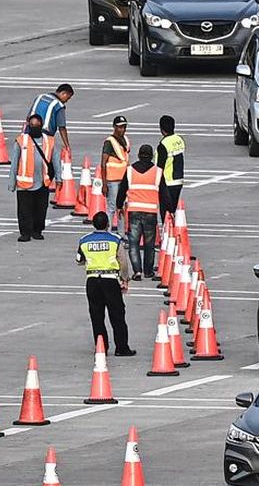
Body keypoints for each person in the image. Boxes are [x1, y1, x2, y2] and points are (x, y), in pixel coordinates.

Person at [77, 212, 135, 356]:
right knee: (117, 315)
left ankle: (101, 347)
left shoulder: (84, 240)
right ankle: (121, 348)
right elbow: (122, 261)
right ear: (108, 224)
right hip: (110, 279)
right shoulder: (114, 240)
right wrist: (125, 279)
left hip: (92, 280)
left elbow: (79, 260)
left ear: (93, 224)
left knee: (96, 315)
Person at [8, 114, 60, 242]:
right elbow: (14, 162)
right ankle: (25, 232)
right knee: (24, 210)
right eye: (31, 125)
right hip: (24, 183)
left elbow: (56, 160)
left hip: (43, 181)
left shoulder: (49, 141)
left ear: (41, 126)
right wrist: (12, 182)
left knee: (40, 209)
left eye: (36, 125)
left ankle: (37, 230)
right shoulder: (21, 141)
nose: (34, 127)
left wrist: (59, 178)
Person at [118, 144, 160, 280]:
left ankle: (137, 271)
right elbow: (165, 194)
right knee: (149, 244)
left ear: (139, 155)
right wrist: (169, 210)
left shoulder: (130, 170)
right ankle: (148, 271)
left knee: (134, 243)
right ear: (152, 156)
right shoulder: (157, 171)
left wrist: (119, 206)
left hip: (134, 212)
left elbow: (122, 189)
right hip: (150, 212)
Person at [101, 115, 130, 233]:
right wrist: (104, 184)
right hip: (112, 180)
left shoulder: (126, 140)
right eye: (119, 127)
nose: (122, 129)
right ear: (114, 127)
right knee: (112, 208)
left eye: (124, 127)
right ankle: (107, 233)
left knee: (121, 207)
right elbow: (103, 163)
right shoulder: (109, 142)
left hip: (124, 180)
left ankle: (121, 233)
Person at [28, 84, 74, 153]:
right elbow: (62, 128)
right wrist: (67, 145)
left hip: (29, 132)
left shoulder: (40, 97)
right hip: (45, 135)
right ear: (64, 93)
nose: (66, 101)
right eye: (68, 98)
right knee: (45, 157)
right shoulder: (58, 105)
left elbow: (29, 116)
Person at [156, 114, 185, 221]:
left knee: (166, 213)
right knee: (173, 210)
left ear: (161, 129)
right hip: (179, 180)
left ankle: (168, 233)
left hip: (167, 182)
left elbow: (160, 166)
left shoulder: (163, 144)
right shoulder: (179, 140)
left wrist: (157, 184)